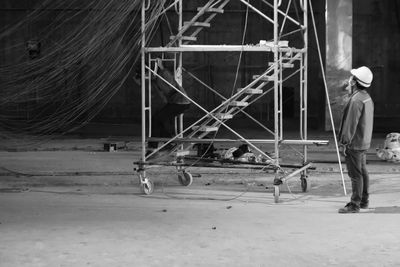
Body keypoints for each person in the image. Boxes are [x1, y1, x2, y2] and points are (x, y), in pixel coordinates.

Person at [338, 66, 374, 213]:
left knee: (355, 174)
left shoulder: (356, 101)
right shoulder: (365, 97)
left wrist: (345, 143)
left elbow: (350, 124)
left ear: (354, 82)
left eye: (352, 77)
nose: (349, 79)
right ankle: (364, 200)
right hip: (364, 141)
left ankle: (355, 204)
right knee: (362, 171)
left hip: (355, 143)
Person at [145, 58, 190, 156]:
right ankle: (168, 143)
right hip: (174, 102)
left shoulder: (162, 75)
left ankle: (155, 147)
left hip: (181, 102)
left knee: (157, 119)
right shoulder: (156, 80)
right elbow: (163, 96)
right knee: (158, 119)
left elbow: (169, 78)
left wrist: (161, 67)